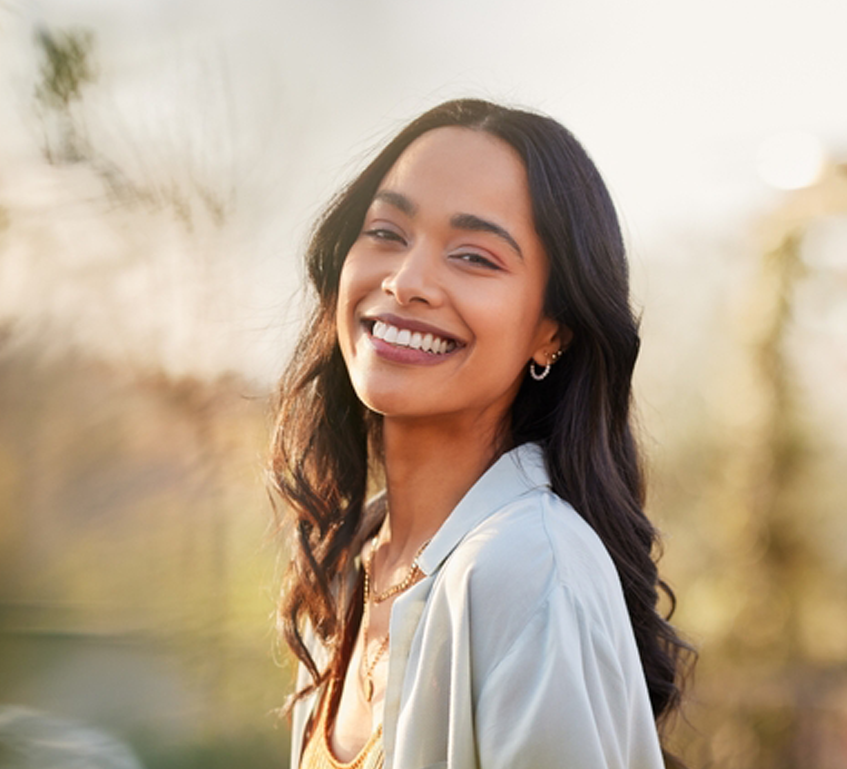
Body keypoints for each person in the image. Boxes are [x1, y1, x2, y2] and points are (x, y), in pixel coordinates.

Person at [269, 98, 692, 768]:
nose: (406, 282)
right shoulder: (355, 562)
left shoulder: (526, 567)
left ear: (553, 330)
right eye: (386, 232)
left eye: (473, 256)